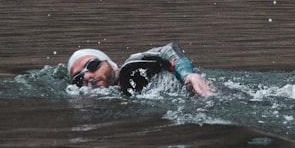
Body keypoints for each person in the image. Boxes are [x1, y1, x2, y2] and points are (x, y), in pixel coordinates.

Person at [67, 42, 215, 97]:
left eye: (92, 65)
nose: (86, 76)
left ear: (112, 65)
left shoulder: (131, 67)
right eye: (78, 79)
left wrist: (189, 76)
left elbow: (168, 50)